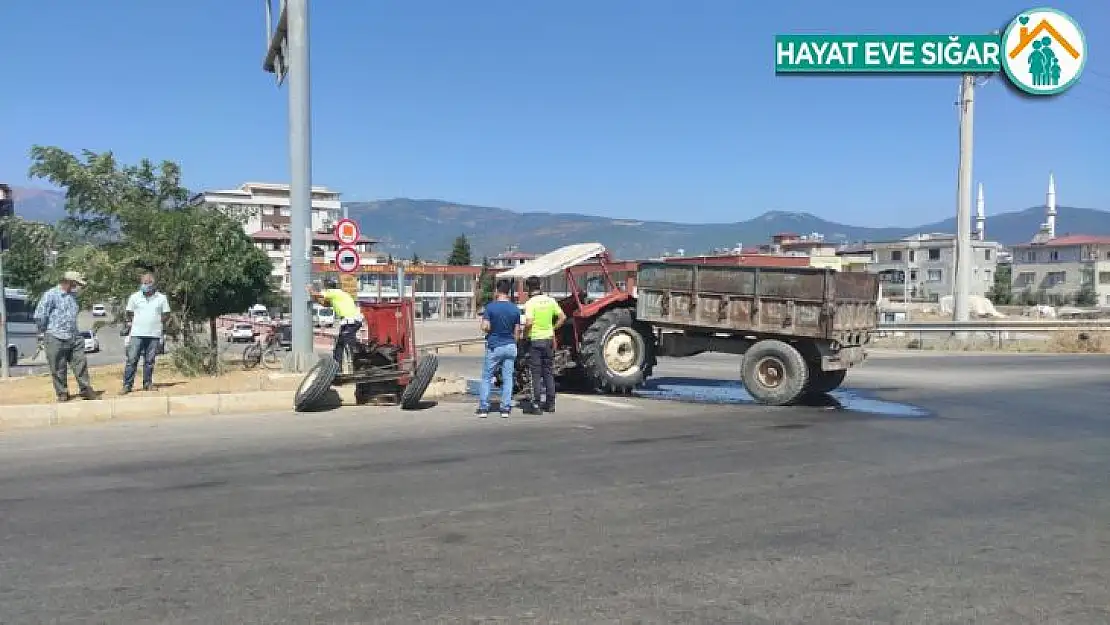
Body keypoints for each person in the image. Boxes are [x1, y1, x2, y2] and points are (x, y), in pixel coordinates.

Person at [33, 271, 97, 402]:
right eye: (76, 283)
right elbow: (39, 315)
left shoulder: (73, 296)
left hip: (74, 336)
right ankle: (62, 392)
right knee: (58, 367)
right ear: (69, 282)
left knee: (81, 363)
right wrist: (46, 331)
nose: (78, 286)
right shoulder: (51, 295)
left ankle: (86, 389)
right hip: (55, 336)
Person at [477, 279, 521, 418]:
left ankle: (484, 408)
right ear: (508, 292)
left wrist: (488, 329)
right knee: (508, 378)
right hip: (510, 346)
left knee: (487, 377)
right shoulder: (515, 309)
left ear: (497, 291)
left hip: (495, 346)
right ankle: (505, 408)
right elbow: (517, 331)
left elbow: (485, 327)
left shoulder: (490, 307)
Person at [522, 275, 566, 414]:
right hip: (548, 340)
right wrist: (552, 328)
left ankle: (536, 404)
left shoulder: (530, 303)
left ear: (528, 288)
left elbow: (528, 322)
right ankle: (551, 403)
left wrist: (524, 335)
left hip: (535, 340)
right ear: (540, 286)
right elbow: (562, 317)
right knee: (548, 372)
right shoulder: (550, 301)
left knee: (535, 373)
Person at [121, 271, 171, 393]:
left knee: (149, 361)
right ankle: (127, 385)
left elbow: (166, 313)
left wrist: (157, 322)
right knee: (132, 360)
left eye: (148, 283)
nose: (145, 285)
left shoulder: (161, 298)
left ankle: (147, 383)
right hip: (137, 333)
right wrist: (135, 322)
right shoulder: (134, 297)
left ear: (153, 284)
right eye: (143, 283)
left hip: (153, 334)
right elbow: (129, 312)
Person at [306, 278, 362, 363]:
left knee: (347, 343)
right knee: (340, 345)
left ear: (328, 287)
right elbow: (325, 304)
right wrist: (315, 298)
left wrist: (309, 290)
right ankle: (337, 366)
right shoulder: (338, 295)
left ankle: (356, 361)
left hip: (350, 322)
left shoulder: (333, 292)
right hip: (350, 322)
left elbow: (317, 294)